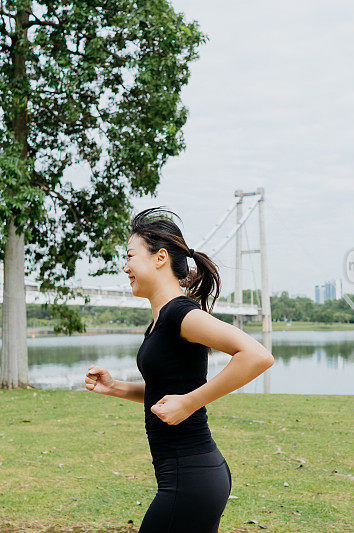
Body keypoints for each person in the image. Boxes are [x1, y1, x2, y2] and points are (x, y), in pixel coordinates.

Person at [85, 207, 275, 532]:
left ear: (160, 258)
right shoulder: (160, 320)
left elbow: (257, 356)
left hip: (190, 477)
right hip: (192, 475)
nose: (126, 267)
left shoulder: (181, 314)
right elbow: (168, 392)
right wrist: (115, 387)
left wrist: (190, 403)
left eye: (131, 256)